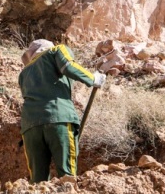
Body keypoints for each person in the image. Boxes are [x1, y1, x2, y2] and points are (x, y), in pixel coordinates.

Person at [18, 39, 105, 183]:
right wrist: (93, 78)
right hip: (58, 116)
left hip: (29, 126)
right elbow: (68, 66)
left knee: (38, 182)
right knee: (67, 176)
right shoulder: (56, 50)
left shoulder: (23, 73)